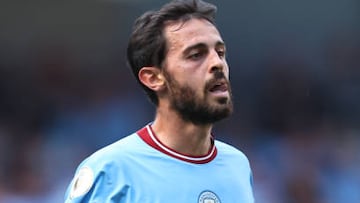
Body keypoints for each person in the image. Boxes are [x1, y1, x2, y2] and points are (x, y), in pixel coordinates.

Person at [64, 0, 255, 202]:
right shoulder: (111, 173)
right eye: (196, 55)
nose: (217, 63)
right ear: (154, 78)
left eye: (220, 52)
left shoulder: (237, 165)